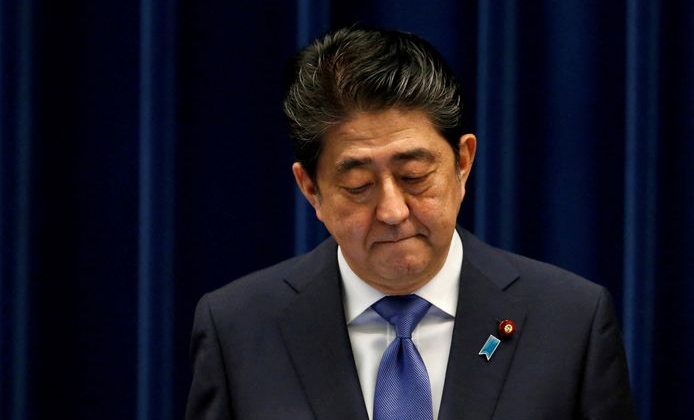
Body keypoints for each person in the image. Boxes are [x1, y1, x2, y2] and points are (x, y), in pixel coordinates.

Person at [185, 27, 637, 420]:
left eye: (414, 177)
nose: (393, 211)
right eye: (359, 185)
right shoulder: (237, 329)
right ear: (310, 190)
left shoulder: (570, 320)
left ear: (463, 163)